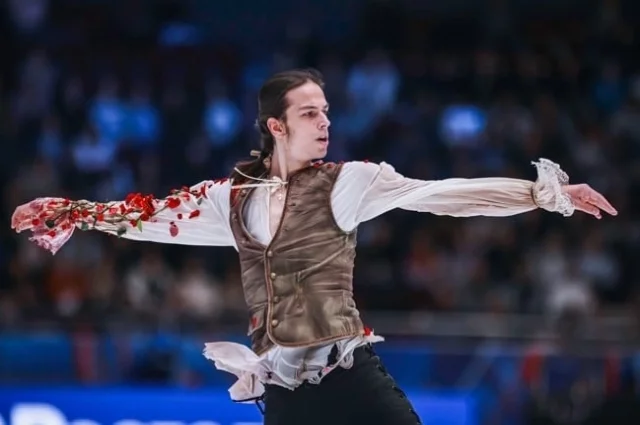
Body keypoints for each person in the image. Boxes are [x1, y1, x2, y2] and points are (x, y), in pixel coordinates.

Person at [11, 68, 617, 425]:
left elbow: (443, 195)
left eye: (326, 112)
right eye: (309, 114)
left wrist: (543, 195)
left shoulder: (349, 182)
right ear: (276, 127)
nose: (325, 122)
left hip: (350, 377)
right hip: (284, 394)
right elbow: (152, 215)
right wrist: (72, 212)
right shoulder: (229, 199)